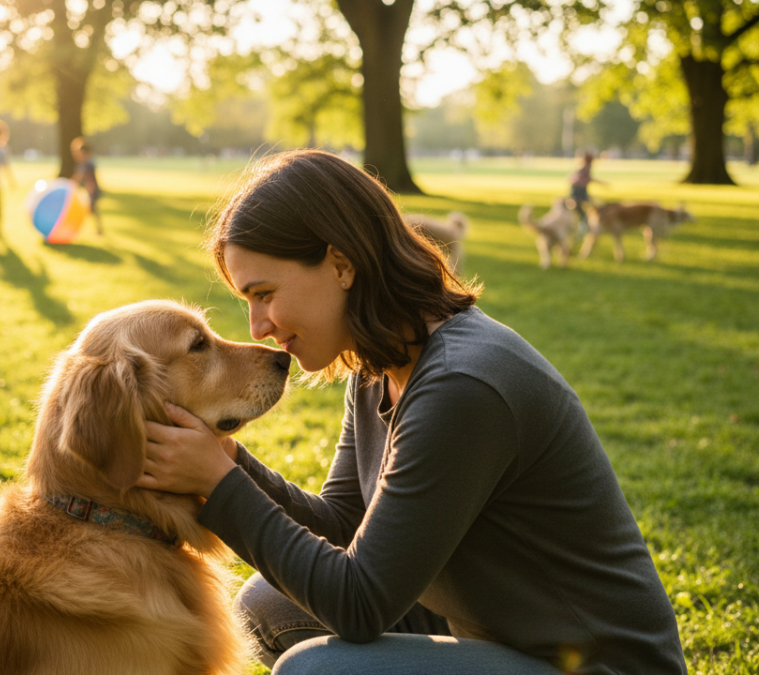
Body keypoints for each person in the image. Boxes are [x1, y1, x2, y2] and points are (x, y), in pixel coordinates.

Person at [139, 150, 688, 675]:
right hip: (496, 630)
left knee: (321, 670)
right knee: (268, 604)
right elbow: (343, 525)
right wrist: (232, 461)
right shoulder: (377, 362)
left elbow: (359, 604)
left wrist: (221, 482)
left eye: (264, 293)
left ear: (341, 264)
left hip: (594, 665)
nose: (257, 326)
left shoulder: (461, 386)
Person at [70, 137, 104, 236]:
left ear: (84, 153)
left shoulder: (86, 163)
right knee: (92, 210)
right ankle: (99, 230)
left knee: (90, 210)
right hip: (90, 190)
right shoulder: (85, 163)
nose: (77, 154)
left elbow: (81, 176)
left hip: (92, 190)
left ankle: (98, 231)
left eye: (79, 152)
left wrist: (71, 183)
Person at [569, 150, 607, 232]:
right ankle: (585, 225)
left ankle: (585, 224)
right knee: (586, 208)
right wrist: (601, 183)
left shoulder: (583, 166)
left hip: (578, 190)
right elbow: (588, 178)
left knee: (581, 209)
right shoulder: (586, 167)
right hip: (579, 191)